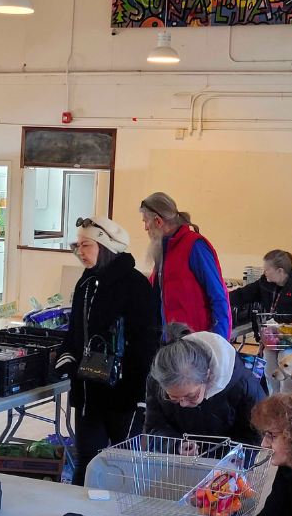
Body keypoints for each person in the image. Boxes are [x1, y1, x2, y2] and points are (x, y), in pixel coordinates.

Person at [56, 216, 160, 486]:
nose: (80, 252)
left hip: (123, 394)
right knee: (87, 460)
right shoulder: (86, 283)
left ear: (105, 247)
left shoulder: (136, 286)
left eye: (86, 245)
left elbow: (146, 343)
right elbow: (75, 330)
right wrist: (67, 361)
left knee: (122, 463)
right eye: (77, 245)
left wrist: (140, 395)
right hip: (88, 392)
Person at [145, 322, 264, 450]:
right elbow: (155, 427)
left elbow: (254, 436)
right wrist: (176, 446)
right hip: (177, 463)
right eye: (173, 398)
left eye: (191, 396)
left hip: (227, 463)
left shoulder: (244, 385)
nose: (183, 404)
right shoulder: (157, 379)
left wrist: (220, 461)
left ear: (207, 375)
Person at [229, 250, 292, 395]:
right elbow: (242, 295)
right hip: (281, 338)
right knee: (269, 354)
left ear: (280, 271)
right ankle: (274, 396)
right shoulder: (265, 283)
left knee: (284, 355)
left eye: (267, 269)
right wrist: (221, 297)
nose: (264, 272)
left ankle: (286, 398)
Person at [140, 192, 231, 340]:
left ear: (158, 221)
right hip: (171, 340)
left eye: (145, 222)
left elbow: (218, 295)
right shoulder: (162, 250)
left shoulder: (195, 246)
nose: (145, 228)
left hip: (196, 341)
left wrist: (220, 341)